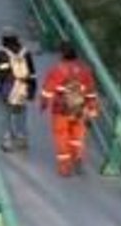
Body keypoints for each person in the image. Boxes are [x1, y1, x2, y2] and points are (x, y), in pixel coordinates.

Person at [40, 40, 99, 176]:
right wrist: (92, 110)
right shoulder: (85, 71)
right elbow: (91, 92)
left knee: (61, 136)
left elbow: (47, 91)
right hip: (79, 108)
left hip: (60, 110)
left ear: (61, 54)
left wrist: (43, 104)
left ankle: (65, 167)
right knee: (77, 136)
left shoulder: (56, 70)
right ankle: (77, 159)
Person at [0, 27, 37, 151]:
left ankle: (7, 141)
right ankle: (22, 138)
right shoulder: (25, 52)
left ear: (3, 39)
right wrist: (32, 90)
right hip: (22, 88)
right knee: (20, 114)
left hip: (5, 89)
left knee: (5, 114)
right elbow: (32, 74)